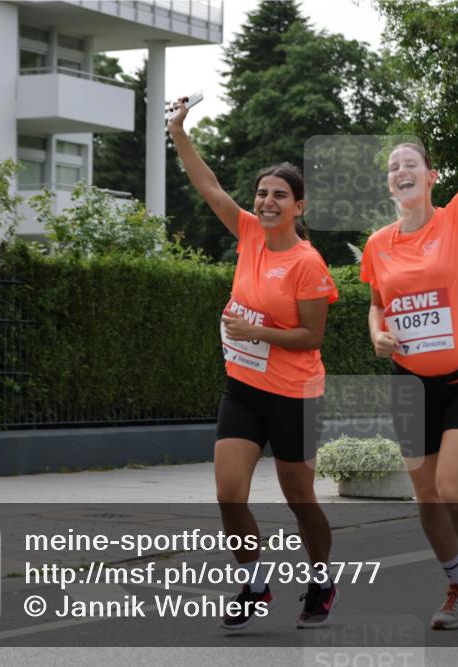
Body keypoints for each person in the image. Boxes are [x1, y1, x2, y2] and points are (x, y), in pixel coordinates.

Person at [167, 96, 339, 630]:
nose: (267, 201)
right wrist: (178, 133)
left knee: (299, 497)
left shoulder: (307, 264)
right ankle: (255, 583)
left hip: (295, 395)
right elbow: (210, 187)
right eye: (263, 193)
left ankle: (322, 579)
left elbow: (312, 337)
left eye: (279, 195)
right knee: (228, 494)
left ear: (299, 207)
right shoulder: (248, 235)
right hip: (243, 388)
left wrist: (254, 331)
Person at [359, 65, 458, 636]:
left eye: (410, 164)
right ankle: (454, 583)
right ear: (389, 185)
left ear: (430, 177)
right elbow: (377, 304)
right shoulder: (378, 245)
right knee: (426, 498)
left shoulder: (457, 219)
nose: (401, 171)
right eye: (393, 167)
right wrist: (377, 333)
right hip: (411, 382)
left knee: (451, 486)